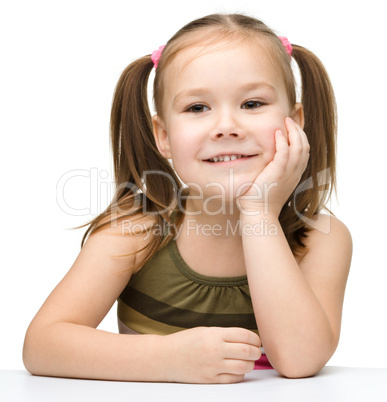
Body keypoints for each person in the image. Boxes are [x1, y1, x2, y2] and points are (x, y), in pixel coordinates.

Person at [23, 13, 352, 384]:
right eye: (197, 108)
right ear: (163, 135)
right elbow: (42, 345)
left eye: (253, 104)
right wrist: (169, 359)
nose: (227, 127)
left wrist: (259, 213)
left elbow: (299, 360)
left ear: (296, 122)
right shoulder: (137, 229)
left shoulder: (318, 237)